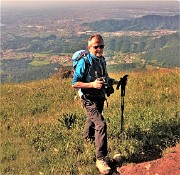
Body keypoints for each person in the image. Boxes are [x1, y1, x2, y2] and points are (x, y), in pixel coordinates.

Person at [72, 34, 118, 174]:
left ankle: (87, 142)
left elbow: (105, 77)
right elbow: (75, 83)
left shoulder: (101, 60)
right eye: (96, 46)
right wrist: (92, 84)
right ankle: (100, 159)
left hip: (99, 96)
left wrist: (115, 82)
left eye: (101, 46)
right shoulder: (84, 62)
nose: (99, 49)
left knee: (92, 120)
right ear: (89, 47)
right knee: (101, 124)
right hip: (88, 98)